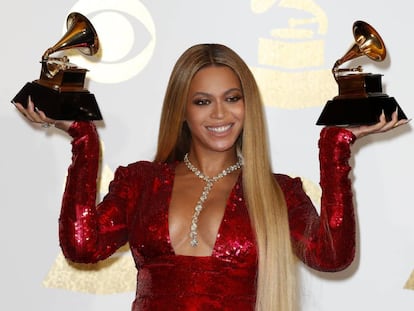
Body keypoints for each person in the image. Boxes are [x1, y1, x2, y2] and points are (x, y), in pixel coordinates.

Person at [15, 43, 408, 311]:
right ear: (182, 109)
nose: (220, 115)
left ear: (247, 105)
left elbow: (333, 257)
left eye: (232, 99)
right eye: (203, 102)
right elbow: (83, 247)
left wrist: (336, 146)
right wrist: (83, 141)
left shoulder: (278, 193)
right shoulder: (141, 182)